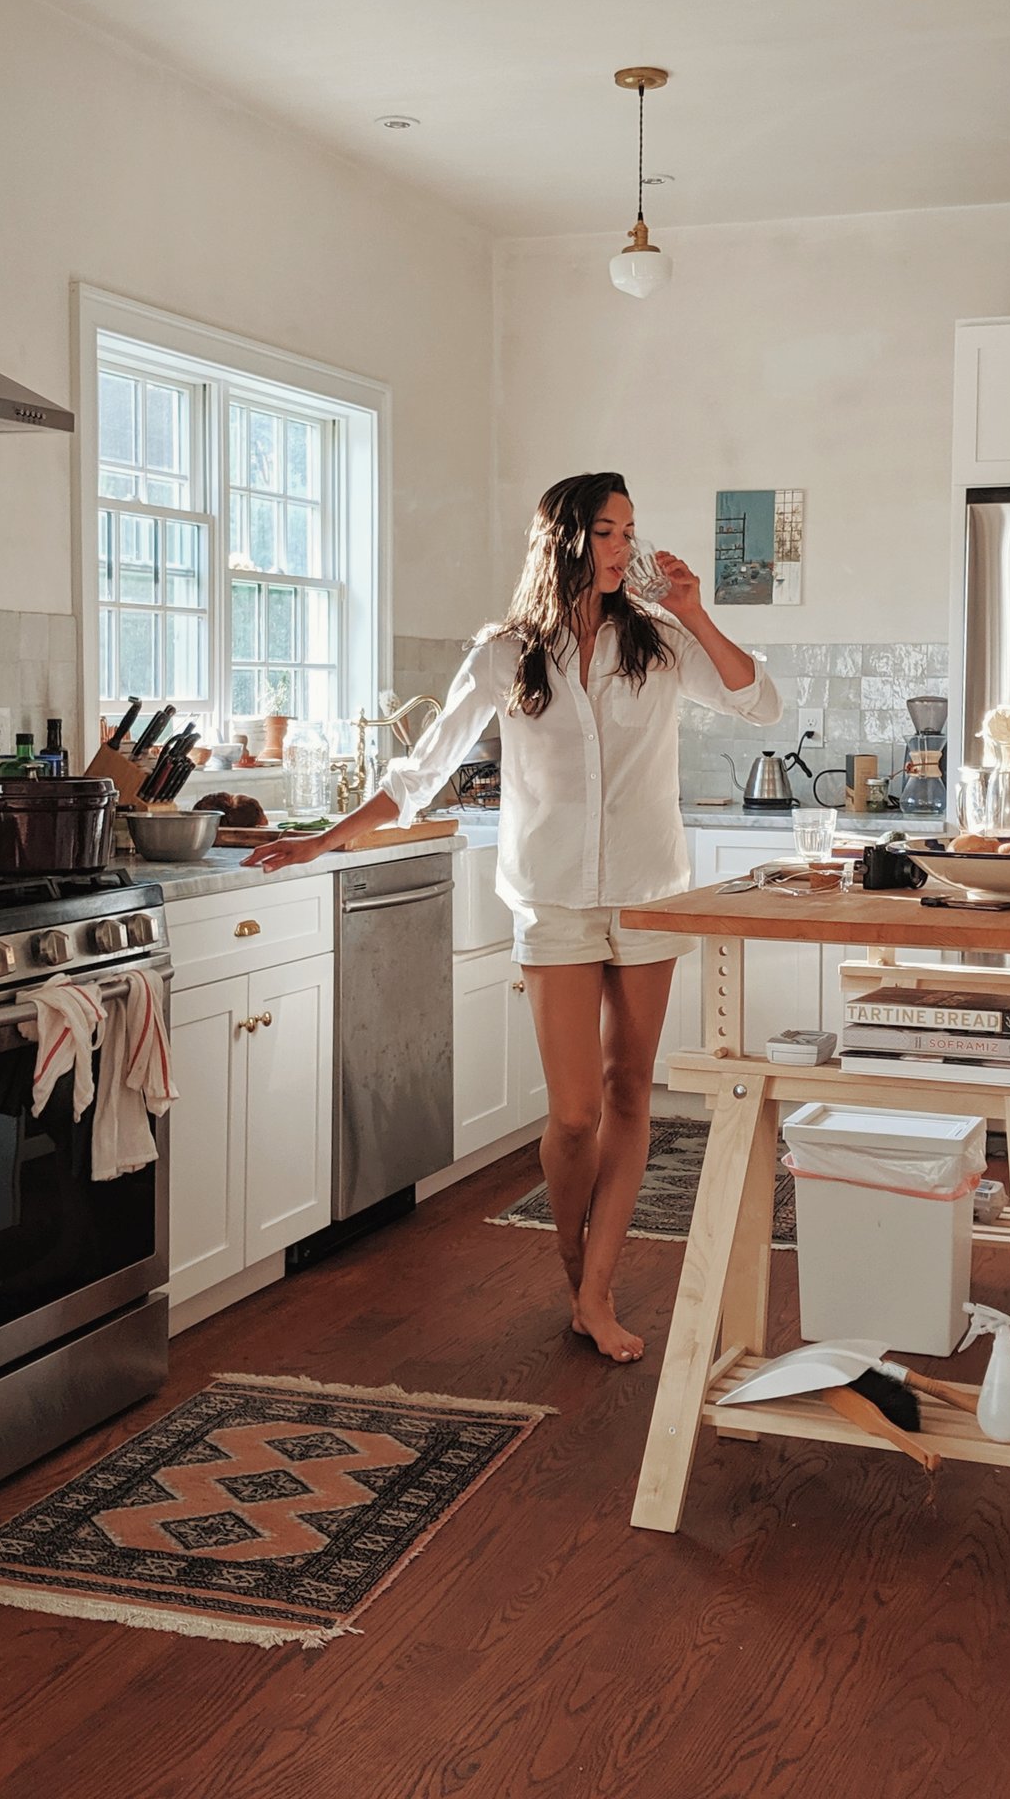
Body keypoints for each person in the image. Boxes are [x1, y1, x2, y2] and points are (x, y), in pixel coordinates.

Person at [246, 472, 783, 1362]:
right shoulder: (504, 654)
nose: (625, 548)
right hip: (552, 898)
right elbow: (423, 771)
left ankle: (597, 1291)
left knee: (627, 1092)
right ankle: (576, 1262)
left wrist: (695, 611)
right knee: (573, 1114)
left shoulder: (656, 642)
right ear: (566, 540)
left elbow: (756, 700)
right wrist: (323, 841)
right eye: (609, 532)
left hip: (650, 893)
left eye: (629, 530)